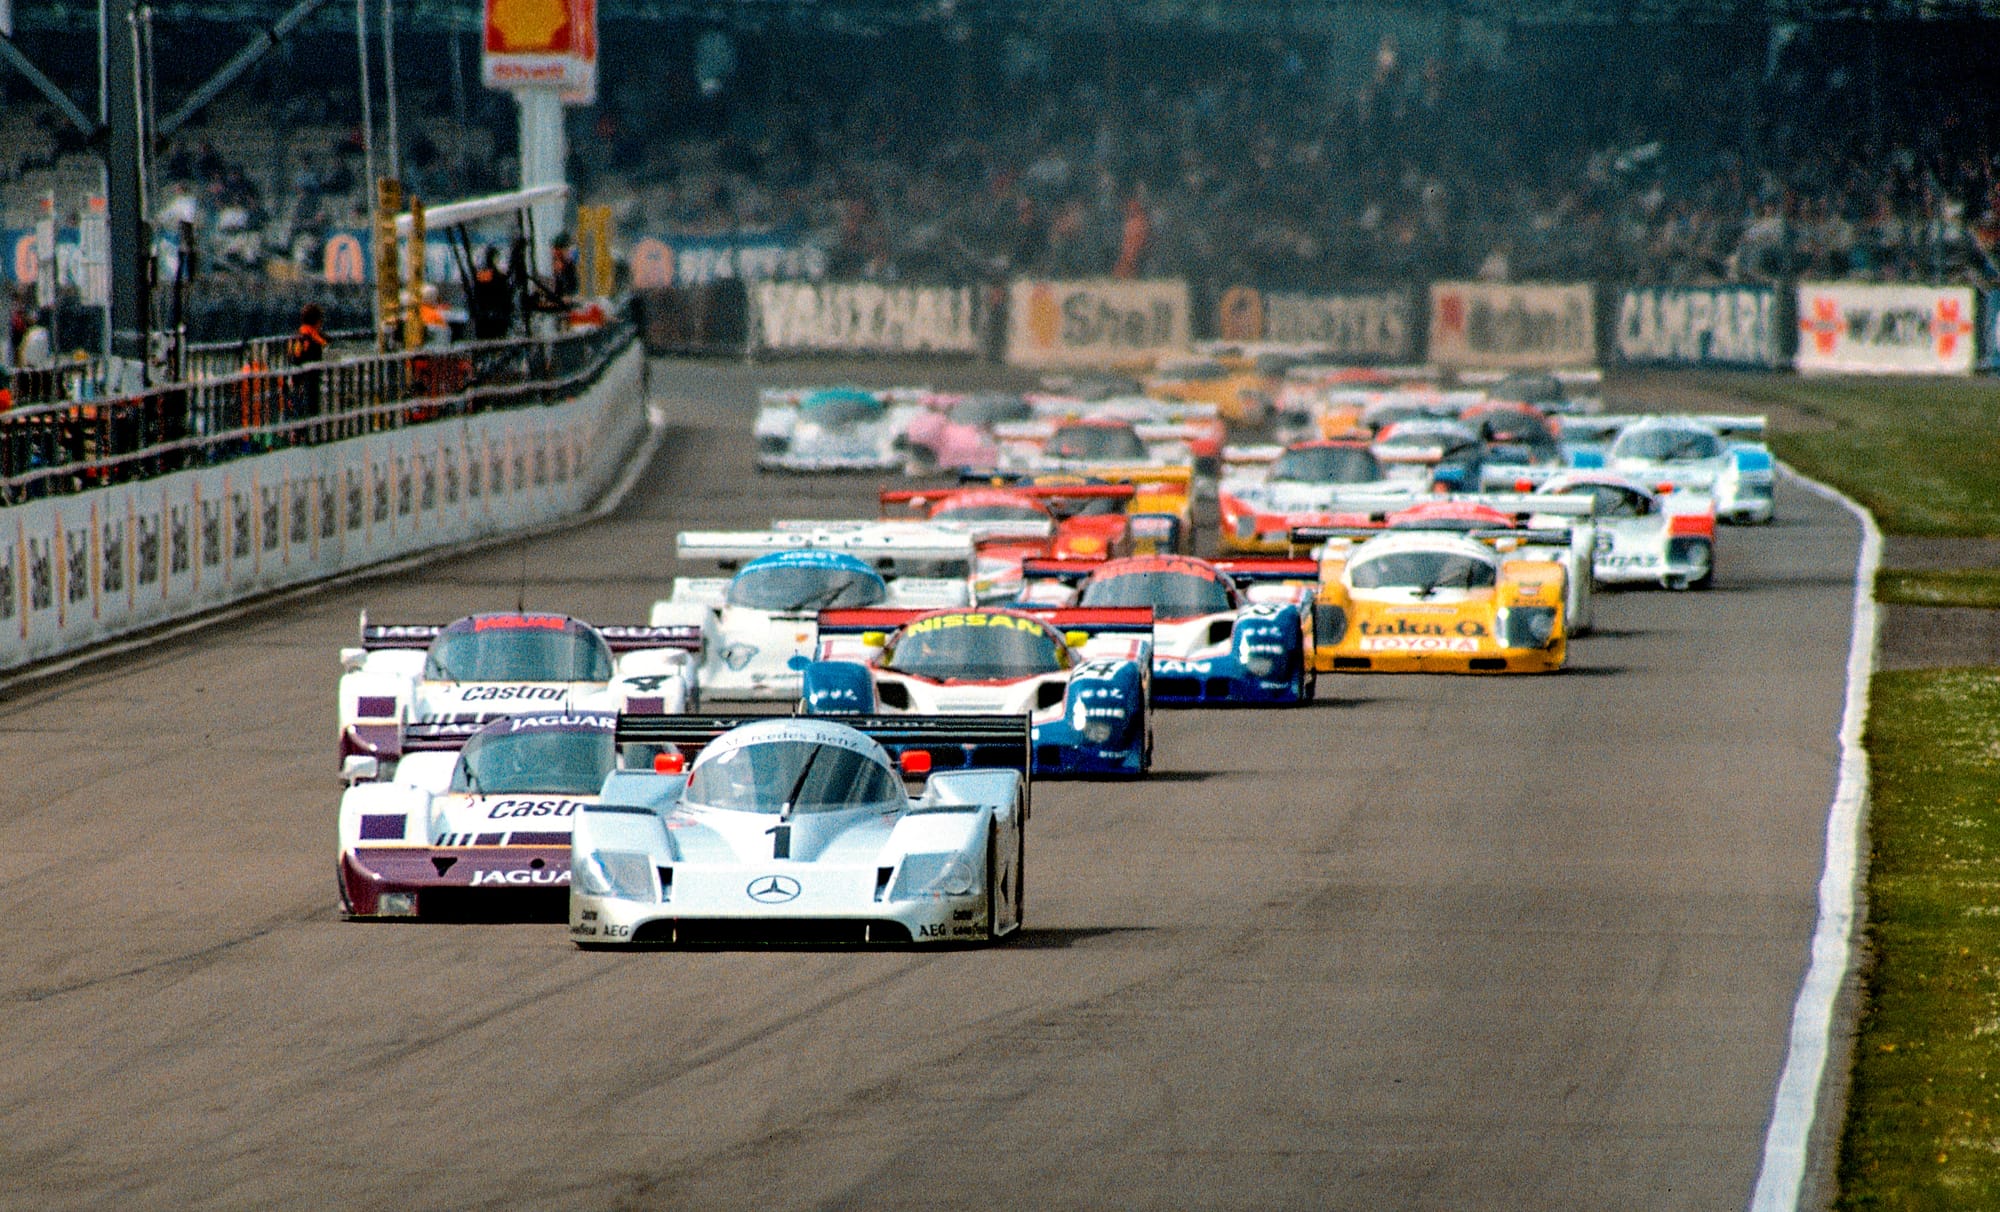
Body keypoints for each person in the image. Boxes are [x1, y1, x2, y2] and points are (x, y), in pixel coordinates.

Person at [286, 302, 329, 441]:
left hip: (294, 382)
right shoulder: (314, 339)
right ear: (317, 322)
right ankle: (310, 437)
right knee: (310, 412)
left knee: (296, 412)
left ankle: (296, 436)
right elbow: (323, 349)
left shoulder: (295, 338)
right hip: (309, 384)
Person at [469, 247, 512, 341]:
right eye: (497, 258)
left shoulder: (484, 274)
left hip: (488, 316)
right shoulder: (489, 275)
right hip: (491, 317)